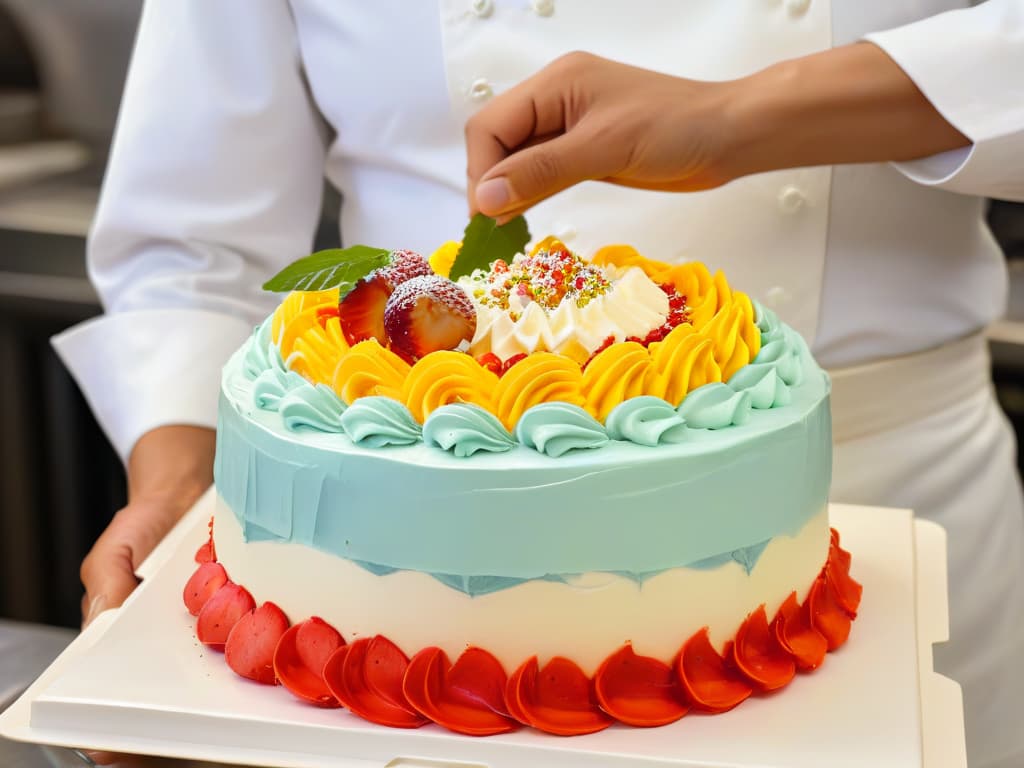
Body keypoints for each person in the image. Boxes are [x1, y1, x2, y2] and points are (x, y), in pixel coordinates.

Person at [54, 2, 1023, 765]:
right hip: (378, 494)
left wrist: (743, 113)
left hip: (901, 493)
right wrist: (178, 493)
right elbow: (190, 243)